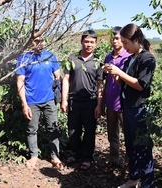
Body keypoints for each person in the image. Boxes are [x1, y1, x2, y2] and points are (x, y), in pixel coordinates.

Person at [103, 23, 156, 188]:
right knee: (131, 144)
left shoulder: (147, 58)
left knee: (143, 147)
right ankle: (133, 178)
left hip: (139, 108)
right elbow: (124, 84)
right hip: (127, 106)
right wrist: (114, 74)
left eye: (126, 43)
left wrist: (120, 73)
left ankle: (147, 183)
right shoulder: (131, 58)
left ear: (137, 40)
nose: (124, 46)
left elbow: (141, 85)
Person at [16, 34, 64, 170]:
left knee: (53, 128)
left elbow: (57, 77)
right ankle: (34, 156)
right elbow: (20, 82)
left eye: (41, 40)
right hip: (31, 101)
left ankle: (55, 156)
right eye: (36, 41)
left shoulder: (50, 56)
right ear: (31, 42)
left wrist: (58, 97)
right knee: (32, 129)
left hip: (49, 100)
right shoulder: (24, 58)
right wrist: (24, 104)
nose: (39, 43)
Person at [61, 30, 103, 170]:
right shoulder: (72, 58)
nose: (89, 44)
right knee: (73, 131)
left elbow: (100, 85)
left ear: (96, 44)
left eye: (92, 42)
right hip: (74, 100)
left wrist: (99, 104)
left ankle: (87, 157)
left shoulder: (97, 62)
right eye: (86, 41)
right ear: (81, 42)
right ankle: (75, 154)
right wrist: (64, 100)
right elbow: (66, 79)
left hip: (90, 101)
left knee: (90, 131)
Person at [102, 26, 130, 167]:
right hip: (111, 102)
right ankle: (114, 159)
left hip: (123, 103)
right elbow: (106, 82)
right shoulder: (108, 57)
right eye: (112, 38)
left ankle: (128, 161)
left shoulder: (128, 57)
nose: (114, 41)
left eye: (117, 38)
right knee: (112, 133)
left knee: (128, 134)